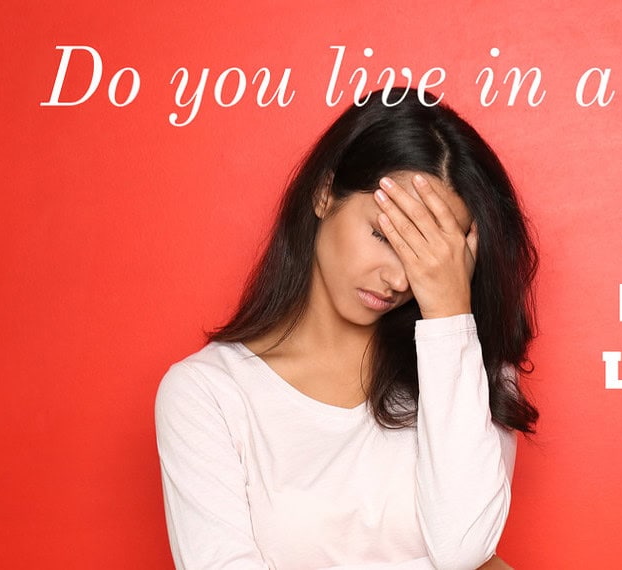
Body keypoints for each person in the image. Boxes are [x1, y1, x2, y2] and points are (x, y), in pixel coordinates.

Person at [154, 87, 538, 570]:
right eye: (383, 235)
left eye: (429, 257)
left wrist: (449, 313)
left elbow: (464, 547)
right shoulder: (207, 394)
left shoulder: (470, 368)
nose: (399, 279)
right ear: (324, 193)